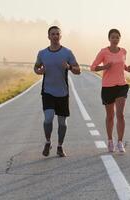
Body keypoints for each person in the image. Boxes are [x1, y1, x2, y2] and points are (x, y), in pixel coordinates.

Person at [34, 26, 81, 157]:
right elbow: (36, 67)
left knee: (62, 123)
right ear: (48, 36)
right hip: (48, 91)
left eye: (57, 34)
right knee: (48, 119)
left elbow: (78, 70)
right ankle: (48, 142)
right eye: (52, 34)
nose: (55, 36)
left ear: (60, 36)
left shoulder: (67, 52)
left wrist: (69, 67)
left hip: (62, 93)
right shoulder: (42, 53)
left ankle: (60, 146)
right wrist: (39, 71)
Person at [90, 29, 130, 153]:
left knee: (120, 114)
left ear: (120, 39)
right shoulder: (104, 52)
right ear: (109, 39)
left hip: (121, 86)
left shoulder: (123, 51)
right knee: (110, 116)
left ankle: (120, 142)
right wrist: (104, 67)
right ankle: (110, 140)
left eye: (117, 37)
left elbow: (122, 65)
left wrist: (127, 68)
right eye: (113, 37)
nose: (115, 39)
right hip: (108, 87)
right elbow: (93, 67)